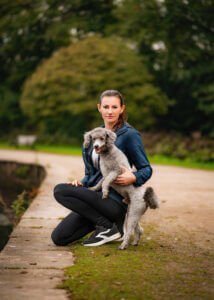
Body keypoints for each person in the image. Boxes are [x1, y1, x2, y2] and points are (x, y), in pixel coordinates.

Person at [51, 90, 152, 247]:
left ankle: (108, 226)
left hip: (115, 201)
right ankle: (107, 226)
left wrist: (134, 177)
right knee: (60, 237)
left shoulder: (130, 135)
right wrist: (83, 182)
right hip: (97, 201)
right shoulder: (94, 135)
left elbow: (146, 169)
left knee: (60, 190)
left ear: (122, 109)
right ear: (99, 108)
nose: (110, 111)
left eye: (114, 107)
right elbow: (92, 173)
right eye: (106, 106)